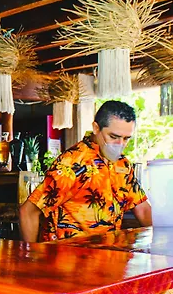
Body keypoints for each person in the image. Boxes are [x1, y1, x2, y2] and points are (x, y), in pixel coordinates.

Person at [19, 100, 152, 242]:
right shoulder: (72, 163)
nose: (120, 144)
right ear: (96, 128)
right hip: (67, 253)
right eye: (114, 137)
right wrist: (32, 253)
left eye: (126, 139)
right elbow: (28, 212)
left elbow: (143, 209)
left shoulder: (122, 165)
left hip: (108, 252)